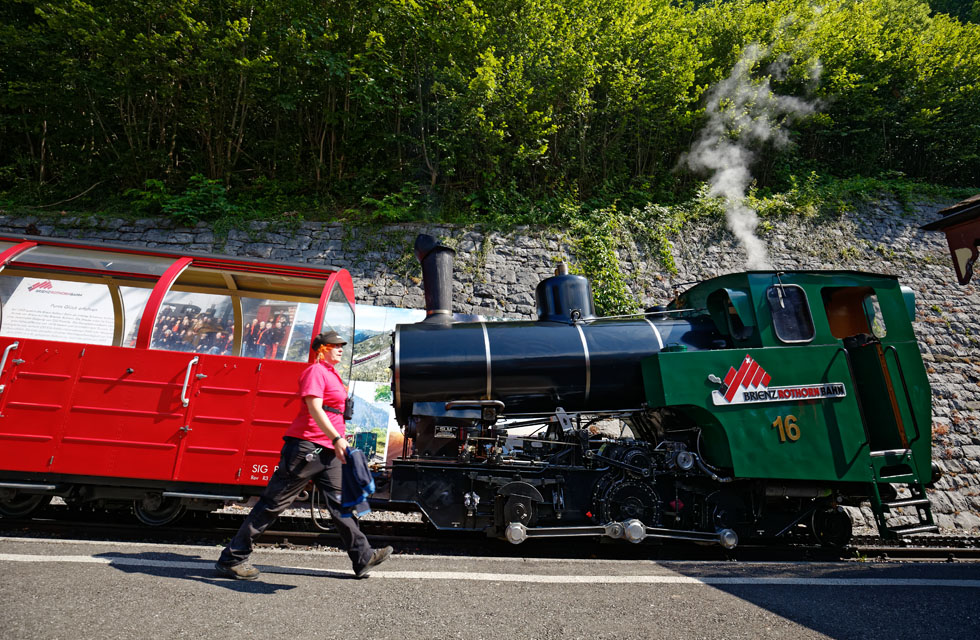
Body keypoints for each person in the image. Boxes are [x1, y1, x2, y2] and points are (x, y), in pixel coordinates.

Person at [215, 330, 392, 580]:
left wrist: (339, 441)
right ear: (321, 349)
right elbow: (314, 408)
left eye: (341, 345)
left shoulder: (332, 374)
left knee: (341, 504)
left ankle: (363, 557)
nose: (340, 348)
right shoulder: (315, 372)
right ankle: (232, 558)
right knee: (273, 504)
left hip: (328, 451)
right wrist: (336, 437)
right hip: (307, 448)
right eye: (334, 345)